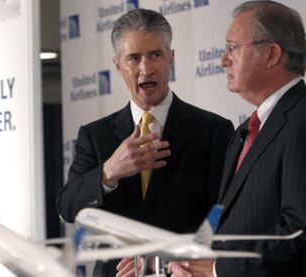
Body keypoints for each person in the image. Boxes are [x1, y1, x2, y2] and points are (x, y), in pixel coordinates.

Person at [168, 1, 306, 277]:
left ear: (271, 54)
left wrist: (217, 269)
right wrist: (185, 256)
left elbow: (302, 236)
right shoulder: (245, 132)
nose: (223, 59)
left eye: (233, 48)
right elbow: (227, 221)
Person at [56, 8, 234, 276]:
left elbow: (223, 217)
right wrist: (109, 171)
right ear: (117, 65)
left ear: (171, 58)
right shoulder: (95, 135)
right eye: (134, 58)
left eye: (155, 55)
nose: (146, 69)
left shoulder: (213, 130)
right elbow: (68, 208)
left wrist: (161, 259)